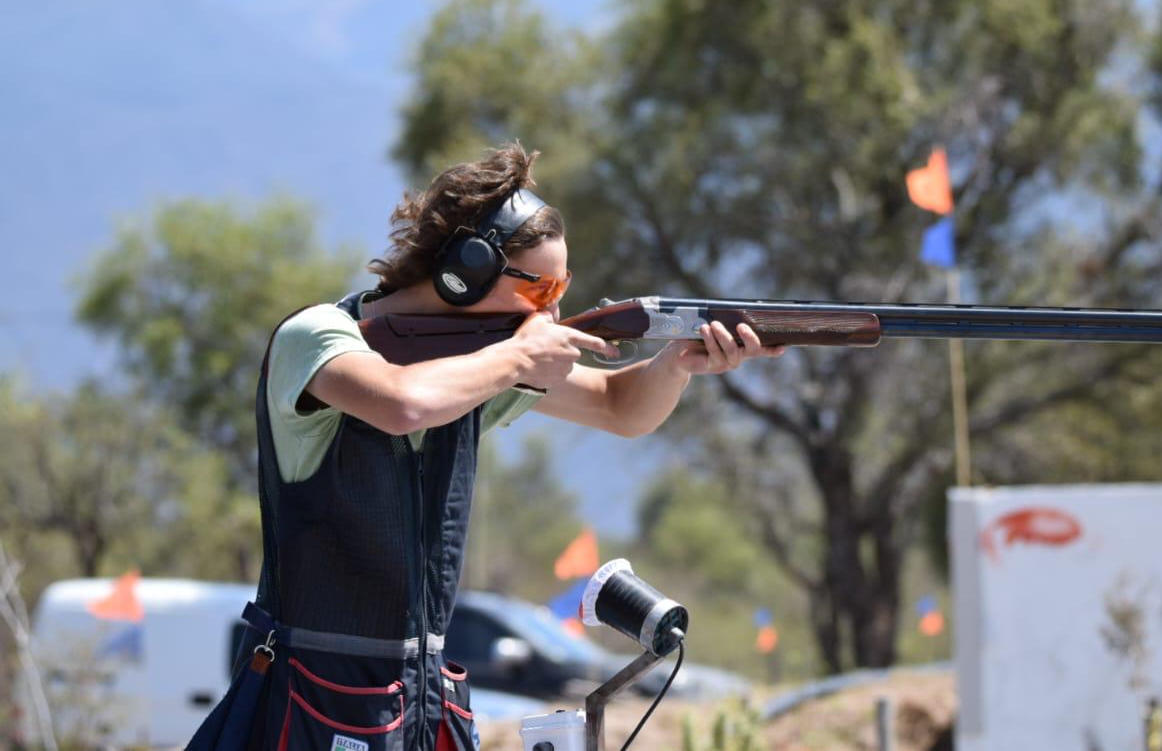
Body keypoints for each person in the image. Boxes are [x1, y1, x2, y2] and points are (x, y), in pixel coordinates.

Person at [191, 143, 783, 751]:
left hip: (423, 704)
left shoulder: (478, 367)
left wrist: (678, 361)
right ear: (464, 270)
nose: (554, 308)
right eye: (541, 287)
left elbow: (619, 406)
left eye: (564, 284)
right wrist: (519, 357)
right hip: (317, 700)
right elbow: (402, 404)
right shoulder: (316, 335)